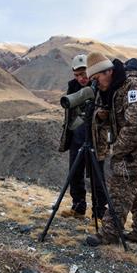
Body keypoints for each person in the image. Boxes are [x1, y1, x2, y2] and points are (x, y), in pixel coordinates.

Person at [85, 52, 137, 247]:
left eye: (97, 78)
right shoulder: (115, 88)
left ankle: (109, 233)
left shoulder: (133, 86)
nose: (98, 84)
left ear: (108, 72)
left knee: (120, 187)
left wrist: (117, 149)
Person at [59, 54, 108, 219]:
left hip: (95, 137)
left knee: (97, 177)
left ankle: (99, 213)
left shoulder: (101, 86)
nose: (81, 78)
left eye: (83, 74)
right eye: (77, 75)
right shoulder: (72, 86)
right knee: (75, 173)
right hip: (76, 137)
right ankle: (78, 207)